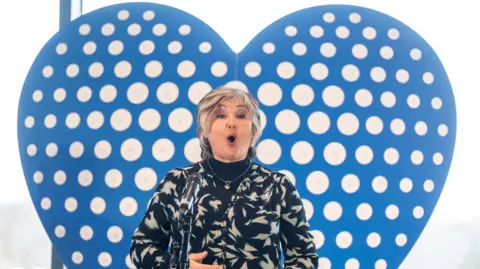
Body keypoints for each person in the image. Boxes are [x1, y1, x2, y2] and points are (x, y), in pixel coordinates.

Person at [129, 87, 319, 269]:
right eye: (220, 115)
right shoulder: (178, 181)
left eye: (241, 115)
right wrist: (177, 266)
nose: (231, 123)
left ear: (253, 130)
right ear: (205, 130)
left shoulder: (278, 186)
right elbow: (142, 246)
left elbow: (305, 256)